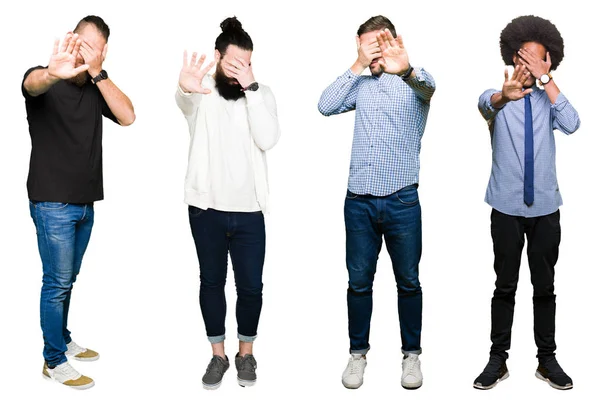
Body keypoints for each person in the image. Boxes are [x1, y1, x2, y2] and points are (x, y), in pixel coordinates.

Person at [318, 15, 435, 390]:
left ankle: (412, 355)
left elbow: (429, 87)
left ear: (393, 42)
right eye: (365, 45)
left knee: (409, 282)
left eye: (378, 45)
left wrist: (405, 69)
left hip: (402, 201)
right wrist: (356, 65)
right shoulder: (361, 85)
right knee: (358, 283)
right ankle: (357, 355)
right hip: (359, 203)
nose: (372, 53)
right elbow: (325, 105)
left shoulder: (414, 83)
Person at [22, 15, 135, 389]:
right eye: (84, 45)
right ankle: (53, 360)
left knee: (68, 279)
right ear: (71, 41)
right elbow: (32, 84)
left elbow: (128, 116)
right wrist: (53, 73)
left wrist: (99, 74)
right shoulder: (46, 77)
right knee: (55, 282)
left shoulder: (95, 86)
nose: (89, 54)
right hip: (51, 202)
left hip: (85, 204)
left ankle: (63, 339)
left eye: (97, 49)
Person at [473, 15, 580, 391]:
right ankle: (497, 359)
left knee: (545, 287)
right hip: (505, 209)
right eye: (521, 58)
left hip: (545, 211)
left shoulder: (550, 101)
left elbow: (572, 123)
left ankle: (546, 360)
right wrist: (506, 95)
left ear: (547, 63)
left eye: (534, 61)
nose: (525, 67)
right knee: (505, 286)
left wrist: (548, 82)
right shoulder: (496, 97)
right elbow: (487, 105)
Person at [175, 16, 280, 390]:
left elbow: (268, 139)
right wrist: (184, 88)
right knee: (211, 282)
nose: (239, 71)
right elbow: (184, 100)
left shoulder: (261, 93)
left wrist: (251, 87)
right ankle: (218, 355)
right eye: (233, 63)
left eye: (246, 64)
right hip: (207, 210)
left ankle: (246, 353)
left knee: (252, 287)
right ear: (217, 57)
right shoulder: (201, 93)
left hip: (251, 211)